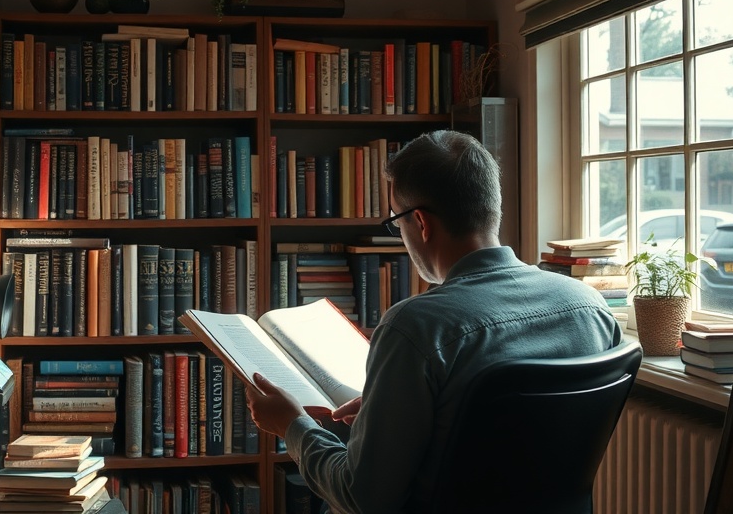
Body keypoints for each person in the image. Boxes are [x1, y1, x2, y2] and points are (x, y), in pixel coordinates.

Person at [246, 129, 623, 514]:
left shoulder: (416, 327)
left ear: (421, 223)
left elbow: (363, 499)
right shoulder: (590, 307)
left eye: (397, 223)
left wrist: (291, 424)